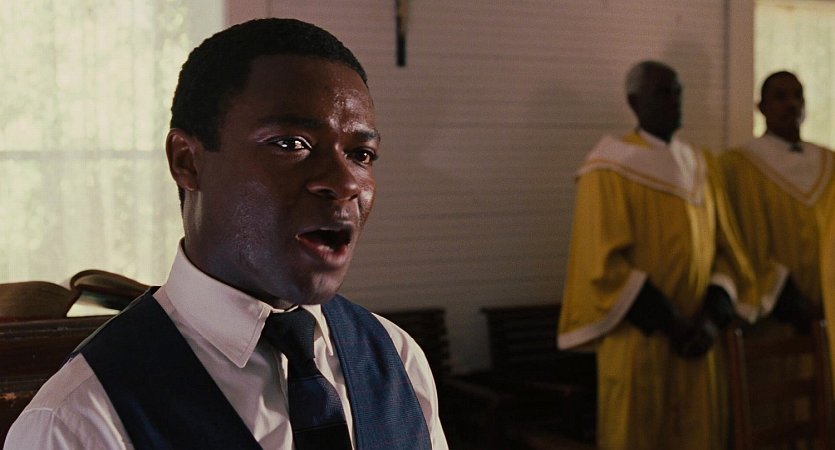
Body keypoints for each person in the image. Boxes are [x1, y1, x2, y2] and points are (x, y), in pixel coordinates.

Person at [5, 18, 448, 450]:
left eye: (361, 154)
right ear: (187, 161)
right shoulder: (77, 423)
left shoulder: (398, 360)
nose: (345, 182)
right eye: (290, 144)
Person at [557, 60, 759, 450]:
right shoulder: (609, 165)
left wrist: (711, 319)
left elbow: (726, 251)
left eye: (678, 92)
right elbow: (602, 264)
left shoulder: (702, 165)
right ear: (634, 102)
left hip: (699, 340)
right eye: (663, 92)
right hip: (641, 339)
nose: (674, 101)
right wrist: (672, 323)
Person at [721, 71, 830, 371]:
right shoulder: (738, 167)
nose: (792, 104)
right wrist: (792, 302)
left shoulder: (829, 163)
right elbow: (739, 243)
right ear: (761, 107)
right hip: (775, 314)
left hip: (828, 312)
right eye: (780, 97)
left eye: (798, 96)